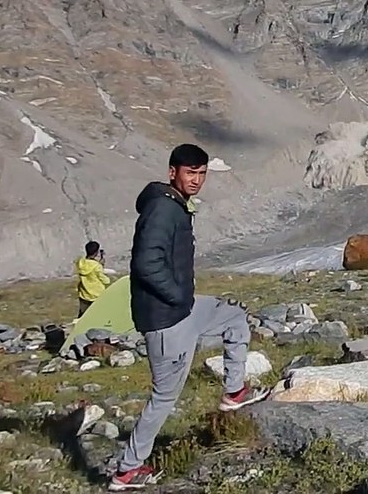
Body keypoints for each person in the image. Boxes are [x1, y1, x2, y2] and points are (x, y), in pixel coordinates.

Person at [109, 144, 268, 491]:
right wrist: (178, 295)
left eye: (201, 173)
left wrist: (184, 298)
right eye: (190, 173)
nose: (196, 180)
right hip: (168, 320)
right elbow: (145, 263)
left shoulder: (175, 206)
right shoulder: (163, 210)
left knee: (234, 317)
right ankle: (126, 471)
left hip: (183, 308)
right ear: (173, 173)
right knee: (164, 398)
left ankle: (234, 391)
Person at [76, 240, 111, 317]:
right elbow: (105, 281)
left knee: (83, 315)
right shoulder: (97, 266)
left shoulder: (80, 262)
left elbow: (88, 264)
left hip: (84, 294)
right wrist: (101, 265)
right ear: (96, 253)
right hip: (96, 295)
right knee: (98, 316)